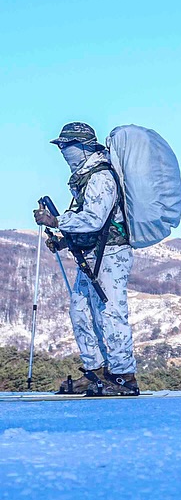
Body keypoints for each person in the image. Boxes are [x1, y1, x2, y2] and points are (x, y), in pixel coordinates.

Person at [32, 122, 140, 396]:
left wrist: (56, 221)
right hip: (93, 254)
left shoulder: (101, 177)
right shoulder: (85, 177)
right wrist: (64, 240)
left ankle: (123, 376)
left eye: (66, 146)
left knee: (111, 312)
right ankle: (97, 372)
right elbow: (93, 223)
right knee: (80, 311)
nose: (63, 152)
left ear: (83, 147)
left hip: (111, 255)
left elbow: (95, 219)